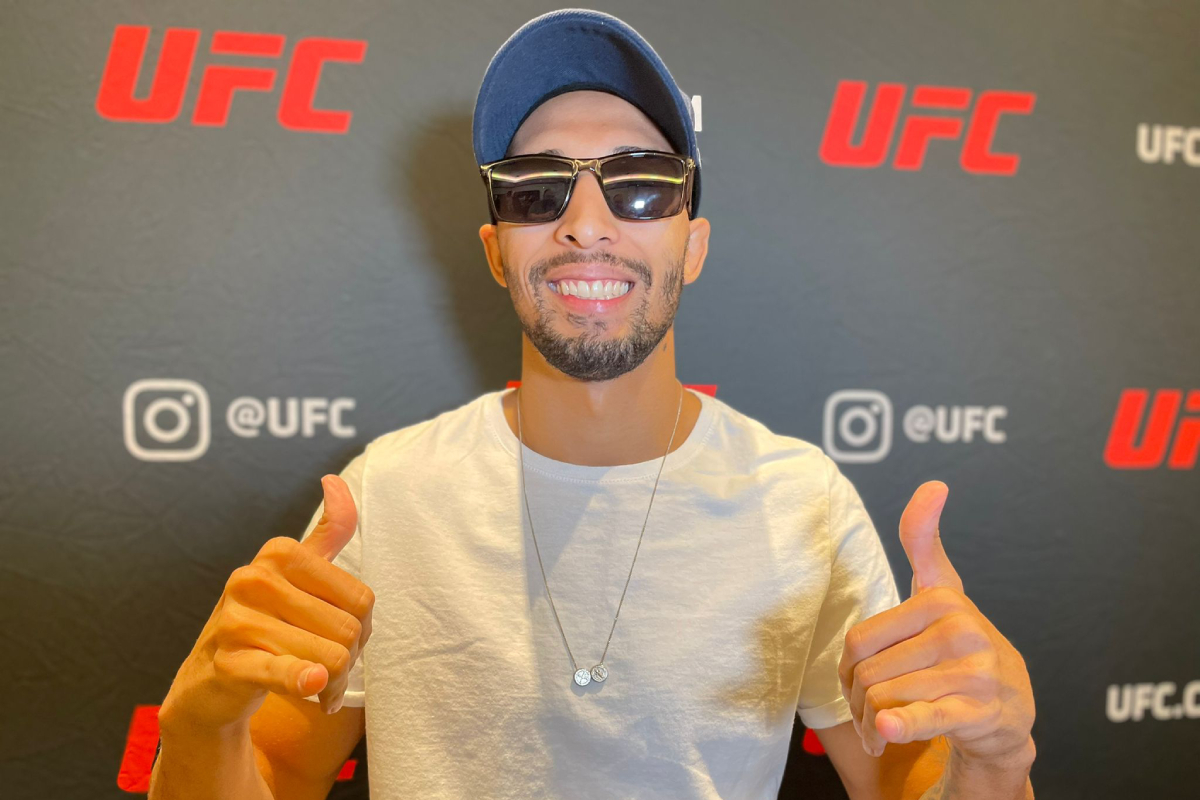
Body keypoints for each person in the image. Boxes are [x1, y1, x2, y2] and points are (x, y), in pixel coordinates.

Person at [150, 9, 1036, 800]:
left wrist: (995, 764)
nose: (586, 222)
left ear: (693, 245)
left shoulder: (800, 504)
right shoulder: (390, 494)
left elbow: (908, 786)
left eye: (640, 182)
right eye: (538, 187)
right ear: (499, 251)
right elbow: (274, 775)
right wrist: (199, 727)